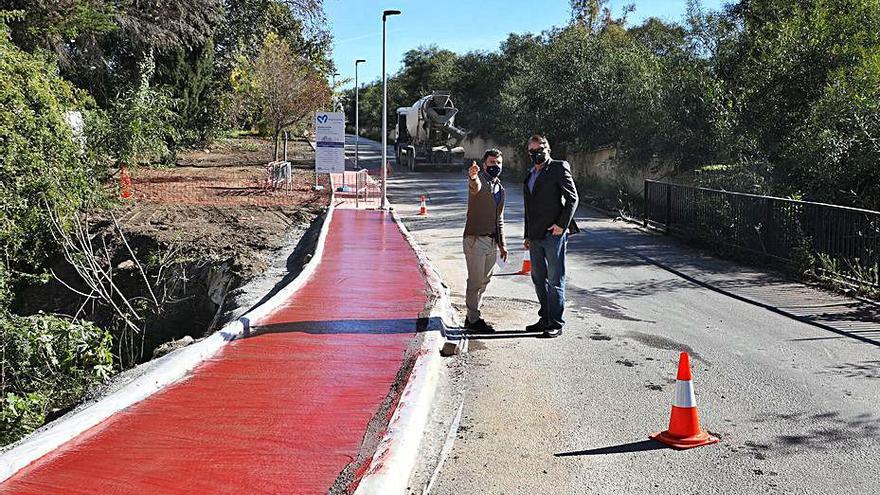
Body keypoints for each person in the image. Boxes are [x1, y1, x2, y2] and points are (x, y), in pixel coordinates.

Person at [523, 135, 579, 338]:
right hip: (536, 235)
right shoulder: (530, 174)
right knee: (538, 278)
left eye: (539, 149)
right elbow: (529, 207)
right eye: (532, 151)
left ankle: (556, 322)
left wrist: (561, 225)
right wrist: (527, 234)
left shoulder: (558, 167)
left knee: (555, 279)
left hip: (553, 234)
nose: (536, 154)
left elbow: (573, 198)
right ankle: (544, 318)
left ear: (547, 148)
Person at [462, 148, 508, 333]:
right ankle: (473, 319)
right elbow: (475, 187)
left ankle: (473, 315)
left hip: (491, 242)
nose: (495, 166)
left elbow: (499, 219)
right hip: (475, 240)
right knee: (475, 282)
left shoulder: (501, 189)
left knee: (484, 281)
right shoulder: (480, 180)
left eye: (498, 163)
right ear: (484, 165)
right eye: (491, 163)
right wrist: (472, 177)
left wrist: (502, 245)